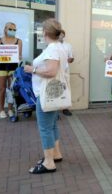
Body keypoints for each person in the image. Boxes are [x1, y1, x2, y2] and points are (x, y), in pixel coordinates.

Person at [24, 19, 66, 174]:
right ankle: (56, 154)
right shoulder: (59, 47)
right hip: (53, 93)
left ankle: (49, 162)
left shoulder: (52, 49)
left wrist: (32, 69)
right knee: (52, 125)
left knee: (45, 128)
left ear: (45, 32)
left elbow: (51, 71)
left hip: (46, 94)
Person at [0, 22, 22, 119]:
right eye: (10, 29)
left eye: (14, 30)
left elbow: (19, 56)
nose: (12, 31)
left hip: (13, 68)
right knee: (2, 89)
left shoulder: (19, 41)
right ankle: (1, 110)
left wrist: (18, 57)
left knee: (11, 90)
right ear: (5, 29)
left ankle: (10, 109)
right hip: (1, 68)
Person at [59, 30, 74, 116]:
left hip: (65, 70)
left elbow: (71, 58)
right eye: (59, 35)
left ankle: (66, 108)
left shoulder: (68, 45)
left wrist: (70, 59)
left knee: (66, 88)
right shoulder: (52, 45)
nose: (61, 36)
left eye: (62, 35)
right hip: (55, 70)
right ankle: (55, 108)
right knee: (55, 87)